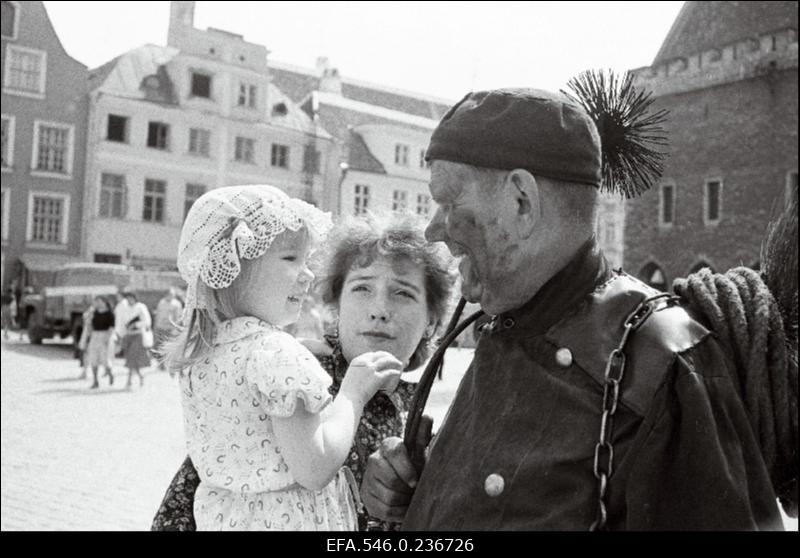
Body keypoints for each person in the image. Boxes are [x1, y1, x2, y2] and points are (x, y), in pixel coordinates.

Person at [360, 79, 796, 530]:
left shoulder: (664, 370)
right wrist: (422, 489)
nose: (434, 229)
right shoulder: (507, 319)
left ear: (521, 202)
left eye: (449, 202)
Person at [151, 211, 456, 531]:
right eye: (362, 288)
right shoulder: (290, 382)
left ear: (432, 321)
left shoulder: (424, 428)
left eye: (403, 293)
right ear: (336, 306)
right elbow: (185, 503)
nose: (379, 310)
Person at [114, 289, 152, 389]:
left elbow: (147, 321)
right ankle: (140, 377)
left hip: (138, 335)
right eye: (128, 298)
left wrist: (136, 324)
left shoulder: (140, 307)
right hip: (128, 336)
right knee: (131, 359)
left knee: (132, 357)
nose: (130, 300)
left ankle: (129, 381)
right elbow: (120, 323)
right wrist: (119, 335)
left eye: (131, 298)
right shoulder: (124, 309)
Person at [78, 296, 116, 388]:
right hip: (95, 336)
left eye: (99, 301)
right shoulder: (93, 313)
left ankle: (109, 372)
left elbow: (111, 327)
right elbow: (90, 327)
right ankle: (95, 381)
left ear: (104, 302)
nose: (97, 303)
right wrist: (88, 320)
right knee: (93, 358)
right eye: (96, 302)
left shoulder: (110, 314)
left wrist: (107, 339)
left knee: (105, 359)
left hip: (105, 335)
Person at [153, 288, 183, 374]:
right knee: (160, 345)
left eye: (172, 294)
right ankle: (161, 364)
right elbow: (158, 315)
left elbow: (178, 316)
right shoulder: (161, 302)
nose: (170, 295)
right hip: (161, 327)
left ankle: (170, 364)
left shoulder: (177, 304)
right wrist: (155, 326)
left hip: (171, 328)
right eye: (169, 294)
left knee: (169, 346)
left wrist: (175, 326)